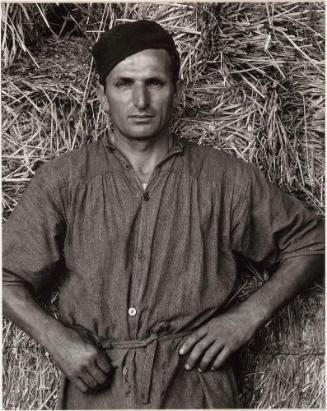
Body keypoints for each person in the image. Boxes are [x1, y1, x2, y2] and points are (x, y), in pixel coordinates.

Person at [3, 20, 324, 409]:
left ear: (178, 92)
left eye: (154, 83)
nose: (140, 101)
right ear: (102, 96)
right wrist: (57, 340)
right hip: (99, 393)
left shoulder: (222, 178)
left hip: (195, 390)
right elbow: (6, 276)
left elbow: (311, 241)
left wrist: (247, 317)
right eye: (124, 84)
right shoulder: (64, 180)